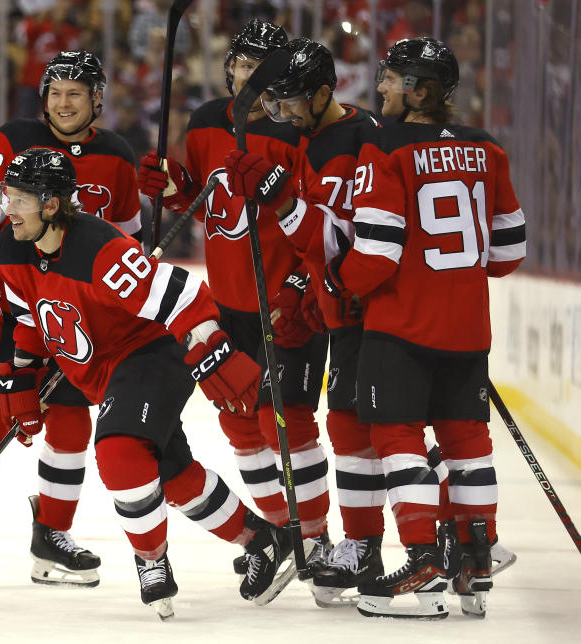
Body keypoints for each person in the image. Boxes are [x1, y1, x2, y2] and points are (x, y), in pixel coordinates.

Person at [0, 147, 297, 618]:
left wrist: (215, 348)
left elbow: (183, 294)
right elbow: (29, 319)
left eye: (18, 199)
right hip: (104, 376)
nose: (7, 209)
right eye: (5, 196)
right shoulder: (12, 247)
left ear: (51, 204)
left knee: (119, 453)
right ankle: (264, 540)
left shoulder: (99, 247)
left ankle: (151, 562)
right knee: (173, 475)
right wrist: (22, 380)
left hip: (150, 354)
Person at [323, 37, 526, 618]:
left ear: (416, 88)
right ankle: (476, 559)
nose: (380, 88)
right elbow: (509, 251)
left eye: (389, 79)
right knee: (468, 442)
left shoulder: (383, 148)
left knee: (397, 438)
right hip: (468, 328)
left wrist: (339, 278)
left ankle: (424, 564)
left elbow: (378, 254)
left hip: (401, 324)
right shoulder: (488, 149)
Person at [136, 19, 334, 575]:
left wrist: (300, 287)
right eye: (242, 66)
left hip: (284, 307)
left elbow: (317, 219)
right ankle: (282, 536)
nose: (248, 78)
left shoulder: (298, 132)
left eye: (262, 70)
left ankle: (315, 538)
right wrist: (170, 186)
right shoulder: (204, 123)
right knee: (240, 423)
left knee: (291, 422)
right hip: (227, 306)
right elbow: (200, 198)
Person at [0, 50, 141, 589]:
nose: (63, 103)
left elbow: (131, 243)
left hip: (75, 314)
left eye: (75, 93)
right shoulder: (14, 137)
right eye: (55, 93)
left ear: (98, 98)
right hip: (8, 301)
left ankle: (51, 537)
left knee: (72, 422)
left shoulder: (118, 155)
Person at [221, 36, 391, 606]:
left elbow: (359, 235)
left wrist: (282, 202)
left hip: (370, 309)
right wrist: (301, 288)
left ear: (325, 92)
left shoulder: (366, 138)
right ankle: (336, 545)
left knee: (378, 430)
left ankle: (439, 537)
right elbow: (314, 240)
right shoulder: (311, 139)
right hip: (334, 306)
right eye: (275, 102)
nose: (284, 114)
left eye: (292, 101)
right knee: (333, 426)